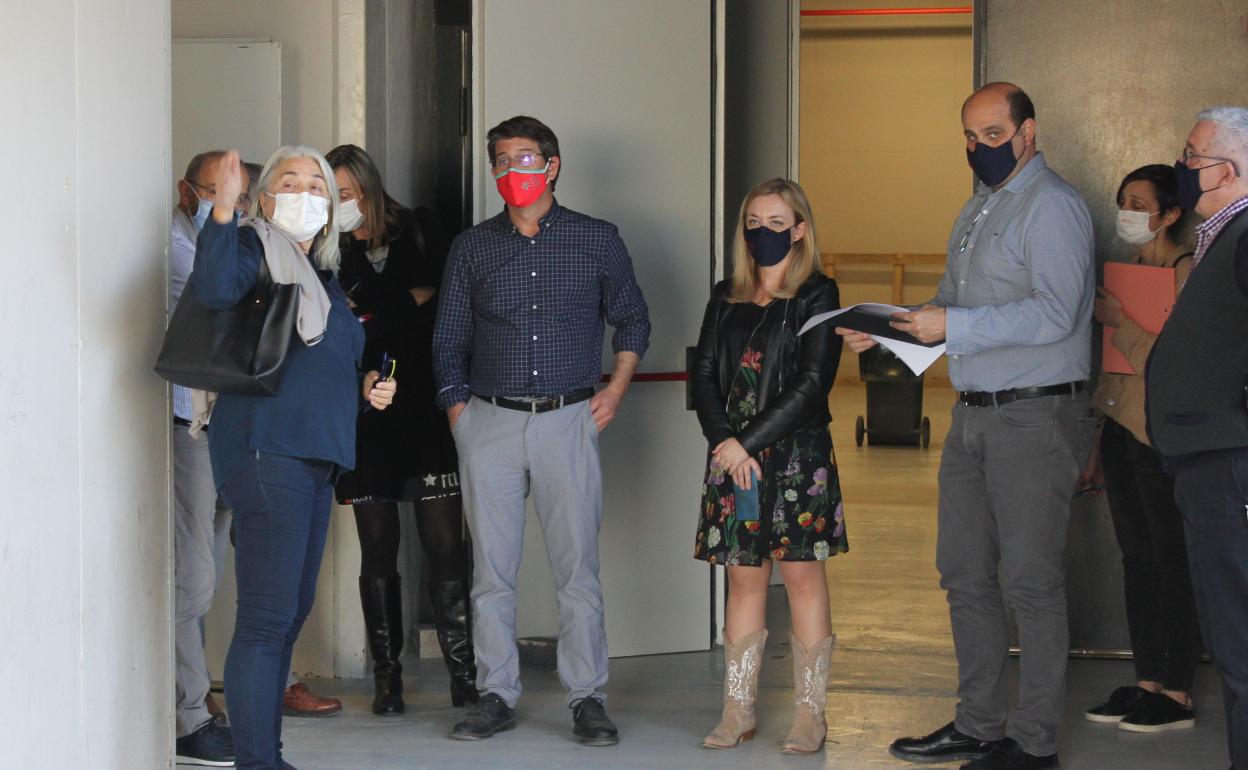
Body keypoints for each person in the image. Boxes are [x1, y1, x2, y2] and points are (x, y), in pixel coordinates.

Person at [840, 83, 1095, 770]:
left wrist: (951, 325)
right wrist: (891, 327)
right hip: (974, 415)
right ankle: (980, 723)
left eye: (990, 134)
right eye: (968, 136)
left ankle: (1035, 742)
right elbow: (951, 306)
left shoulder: (1054, 208)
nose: (976, 148)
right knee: (965, 574)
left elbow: (1058, 313)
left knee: (1032, 584)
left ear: (1028, 131)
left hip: (1035, 416)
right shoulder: (978, 208)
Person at [433, 115, 651, 746]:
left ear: (552, 166)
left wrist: (616, 387)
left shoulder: (595, 239)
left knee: (576, 568)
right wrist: (459, 415)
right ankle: (495, 694)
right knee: (491, 574)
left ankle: (587, 697)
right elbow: (448, 339)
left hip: (567, 421)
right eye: (501, 161)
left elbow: (633, 319)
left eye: (524, 159)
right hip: (489, 422)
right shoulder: (472, 247)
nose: (511, 172)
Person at [189, 146, 397, 770]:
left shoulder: (321, 277)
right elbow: (214, 287)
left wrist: (367, 390)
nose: (307, 193)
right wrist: (223, 208)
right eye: (292, 181)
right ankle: (259, 763)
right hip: (266, 447)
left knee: (288, 614)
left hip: (312, 454)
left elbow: (322, 371)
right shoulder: (252, 248)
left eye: (318, 186)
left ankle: (266, 755)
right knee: (266, 616)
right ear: (264, 196)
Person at [691, 178, 847, 755]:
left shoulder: (818, 294)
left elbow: (812, 383)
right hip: (733, 459)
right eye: (754, 222)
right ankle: (737, 709)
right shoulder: (725, 294)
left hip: (796, 456)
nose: (763, 232)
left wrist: (747, 442)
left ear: (800, 230)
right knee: (742, 577)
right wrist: (725, 443)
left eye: (777, 223)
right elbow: (703, 373)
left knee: (803, 577)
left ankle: (810, 715)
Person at [325, 143, 476, 715]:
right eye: (331, 194)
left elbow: (447, 305)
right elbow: (349, 323)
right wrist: (404, 303)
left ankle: (465, 674)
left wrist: (378, 310)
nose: (341, 204)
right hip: (363, 410)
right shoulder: (328, 249)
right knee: (377, 547)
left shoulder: (419, 228)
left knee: (444, 544)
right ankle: (388, 681)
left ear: (368, 185)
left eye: (347, 192)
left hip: (428, 405)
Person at [1080, 165, 1200, 733]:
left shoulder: (1189, 273)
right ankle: (1147, 679)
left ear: (1170, 214)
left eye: (1138, 201)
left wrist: (1120, 322)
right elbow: (1115, 367)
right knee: (1136, 559)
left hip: (1166, 437)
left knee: (1171, 561)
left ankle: (1177, 691)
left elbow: (1172, 362)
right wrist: (1097, 440)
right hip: (1123, 431)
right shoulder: (1127, 273)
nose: (1126, 210)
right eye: (1122, 199)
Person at [1146, 105, 1248, 770]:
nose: (1181, 167)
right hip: (1206, 457)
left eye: (1192, 157)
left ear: (1229, 168)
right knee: (1231, 635)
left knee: (1240, 641)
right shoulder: (1222, 234)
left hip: (1228, 461)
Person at [170, 149, 236, 765]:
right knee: (192, 580)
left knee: (206, 576)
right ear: (189, 191)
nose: (228, 206)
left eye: (236, 195)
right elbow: (219, 314)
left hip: (225, 425)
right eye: (216, 193)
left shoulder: (225, 241)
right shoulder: (178, 245)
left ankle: (197, 703)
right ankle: (188, 717)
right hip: (188, 425)